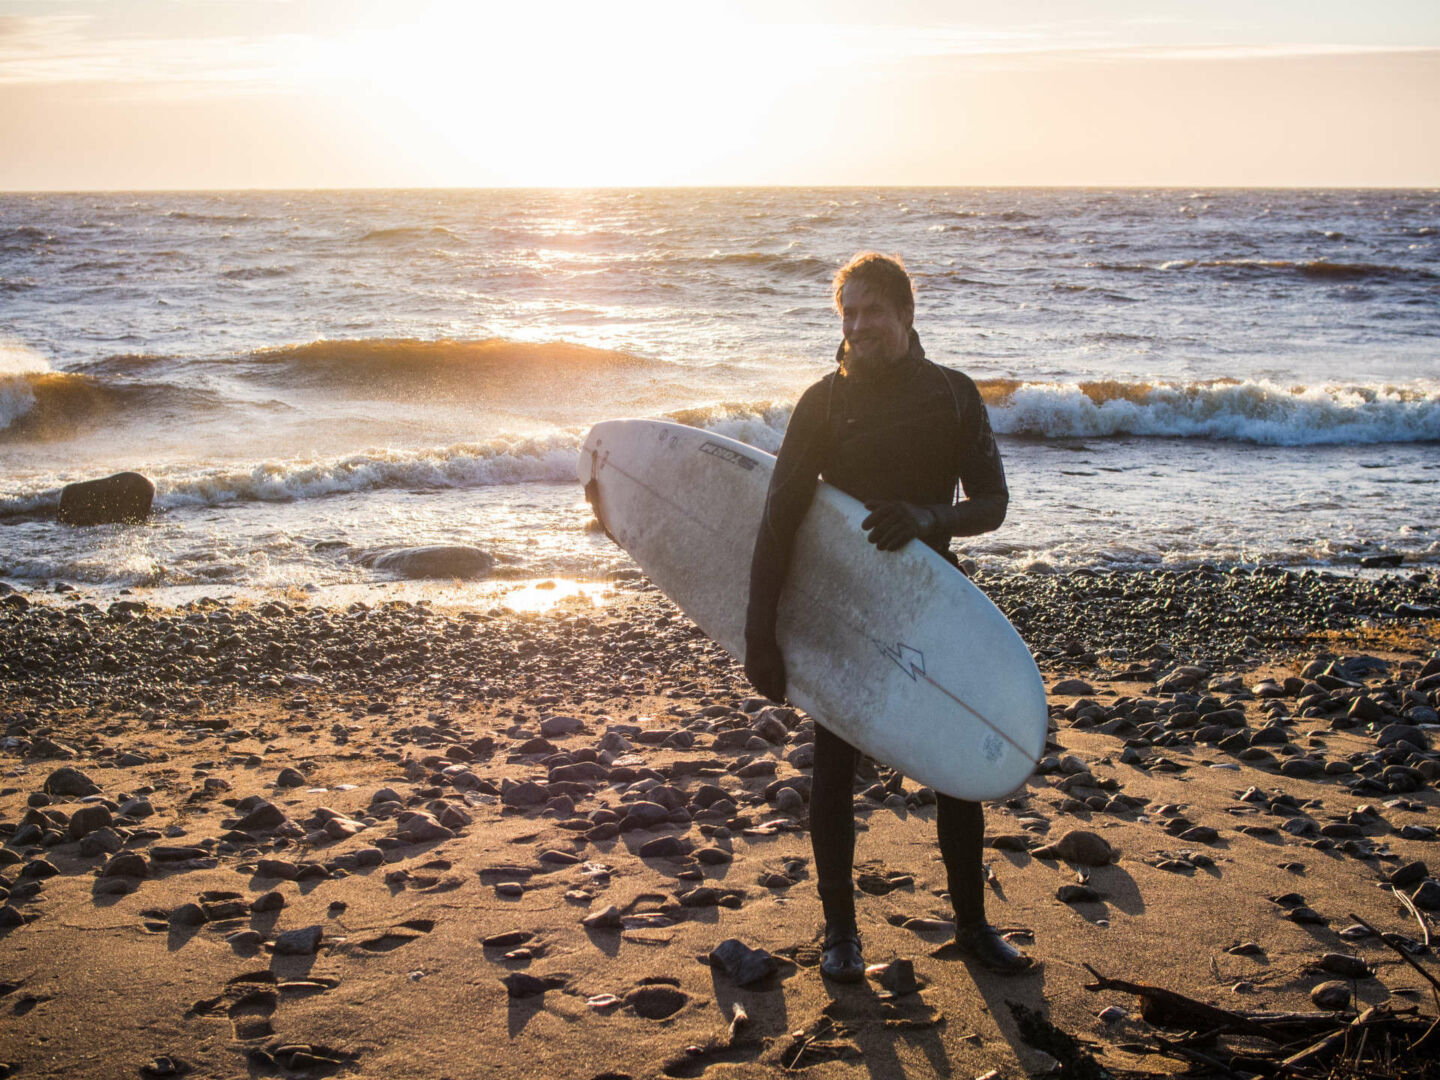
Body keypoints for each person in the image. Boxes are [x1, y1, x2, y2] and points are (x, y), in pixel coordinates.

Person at [743, 251, 1031, 981]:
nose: (859, 325)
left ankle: (971, 927)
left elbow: (992, 504)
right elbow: (778, 517)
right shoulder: (824, 403)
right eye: (849, 313)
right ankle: (841, 933)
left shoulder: (955, 396)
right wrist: (760, 632)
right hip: (847, 608)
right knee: (835, 765)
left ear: (906, 314)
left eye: (873, 311)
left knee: (958, 764)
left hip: (936, 603)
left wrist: (930, 516)